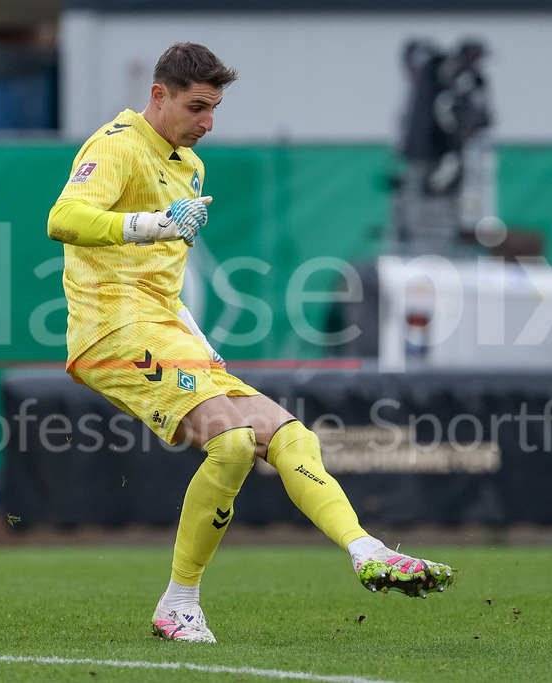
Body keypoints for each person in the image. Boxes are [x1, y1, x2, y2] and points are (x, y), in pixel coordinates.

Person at [47, 42, 454, 643]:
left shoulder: (188, 164)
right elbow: (64, 218)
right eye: (197, 107)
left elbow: (161, 278)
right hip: (112, 331)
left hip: (165, 326)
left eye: (215, 109)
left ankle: (367, 551)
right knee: (233, 443)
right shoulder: (116, 145)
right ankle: (179, 603)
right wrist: (146, 224)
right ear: (158, 95)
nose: (208, 123)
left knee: (290, 435)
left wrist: (192, 333)